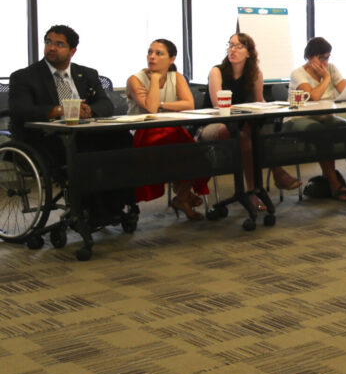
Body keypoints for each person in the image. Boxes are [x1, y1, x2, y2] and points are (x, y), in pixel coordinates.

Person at [9, 25, 132, 227]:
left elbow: (106, 104)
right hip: (45, 140)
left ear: (72, 51)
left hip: (84, 134)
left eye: (59, 44)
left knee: (122, 140)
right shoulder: (24, 77)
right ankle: (91, 210)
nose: (51, 48)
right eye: (48, 42)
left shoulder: (88, 74)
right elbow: (20, 110)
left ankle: (113, 207)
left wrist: (90, 111)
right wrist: (60, 110)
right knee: (88, 150)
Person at [199, 32, 300, 211]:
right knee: (247, 135)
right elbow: (218, 105)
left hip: (241, 126)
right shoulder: (217, 71)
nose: (233, 50)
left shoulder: (255, 73)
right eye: (230, 45)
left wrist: (271, 108)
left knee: (248, 135)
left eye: (239, 46)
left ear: (249, 53)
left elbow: (259, 101)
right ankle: (263, 183)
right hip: (213, 125)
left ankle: (255, 188)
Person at [125, 39, 209, 221]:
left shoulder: (176, 77)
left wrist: (163, 104)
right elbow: (151, 109)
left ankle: (182, 196)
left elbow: (189, 104)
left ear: (172, 59)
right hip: (143, 132)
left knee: (198, 156)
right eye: (150, 52)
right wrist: (154, 80)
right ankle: (184, 196)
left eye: (158, 53)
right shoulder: (135, 80)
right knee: (177, 147)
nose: (152, 57)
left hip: (171, 130)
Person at [287, 37, 346, 201]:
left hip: (325, 117)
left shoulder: (331, 68)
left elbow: (344, 91)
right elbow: (314, 96)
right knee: (321, 133)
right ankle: (335, 185)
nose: (325, 62)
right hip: (299, 118)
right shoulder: (298, 73)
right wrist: (326, 78)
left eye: (327, 57)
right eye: (321, 57)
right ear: (310, 57)